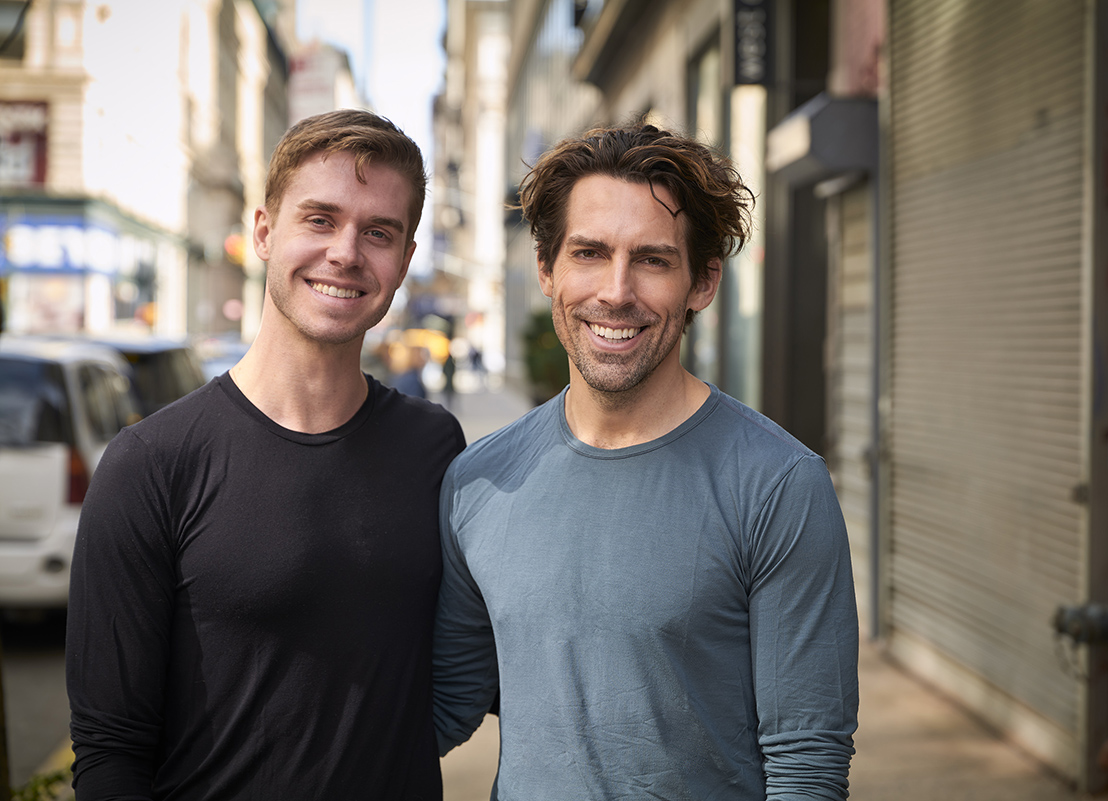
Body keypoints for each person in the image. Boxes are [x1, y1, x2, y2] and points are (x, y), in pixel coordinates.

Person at [433, 122, 859, 799]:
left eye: (654, 260)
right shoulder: (477, 480)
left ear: (703, 281)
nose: (616, 290)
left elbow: (806, 763)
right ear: (547, 269)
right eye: (590, 253)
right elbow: (446, 703)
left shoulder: (779, 485)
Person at [66, 109, 465, 800]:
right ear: (263, 232)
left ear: (403, 259)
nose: (346, 251)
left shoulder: (434, 446)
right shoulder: (151, 463)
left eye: (378, 232)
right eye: (320, 218)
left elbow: (457, 671)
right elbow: (111, 752)